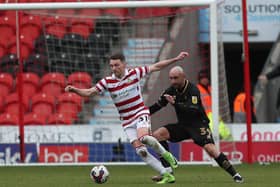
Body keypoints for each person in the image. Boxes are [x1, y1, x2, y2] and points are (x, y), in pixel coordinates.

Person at [65, 51, 189, 184]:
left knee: (144, 138)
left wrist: (175, 59)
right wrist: (74, 90)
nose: (114, 68)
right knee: (141, 152)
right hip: (126, 121)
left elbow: (156, 66)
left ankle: (168, 156)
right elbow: (90, 92)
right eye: (111, 66)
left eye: (116, 65)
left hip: (140, 113)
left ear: (124, 64)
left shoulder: (135, 73)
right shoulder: (107, 82)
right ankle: (166, 174)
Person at [149, 66, 244, 183]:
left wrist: (175, 103)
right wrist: (141, 113)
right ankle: (168, 172)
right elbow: (158, 105)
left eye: (176, 78)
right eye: (171, 78)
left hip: (198, 124)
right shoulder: (170, 90)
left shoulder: (193, 90)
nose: (173, 81)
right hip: (183, 125)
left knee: (211, 150)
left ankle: (235, 174)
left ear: (183, 77)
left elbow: (192, 109)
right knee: (158, 135)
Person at [196, 69, 231, 140]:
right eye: (202, 79)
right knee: (212, 133)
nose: (204, 80)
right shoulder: (196, 89)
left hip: (214, 114)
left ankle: (230, 142)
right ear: (199, 80)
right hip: (205, 115)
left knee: (225, 132)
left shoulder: (211, 88)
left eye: (206, 78)